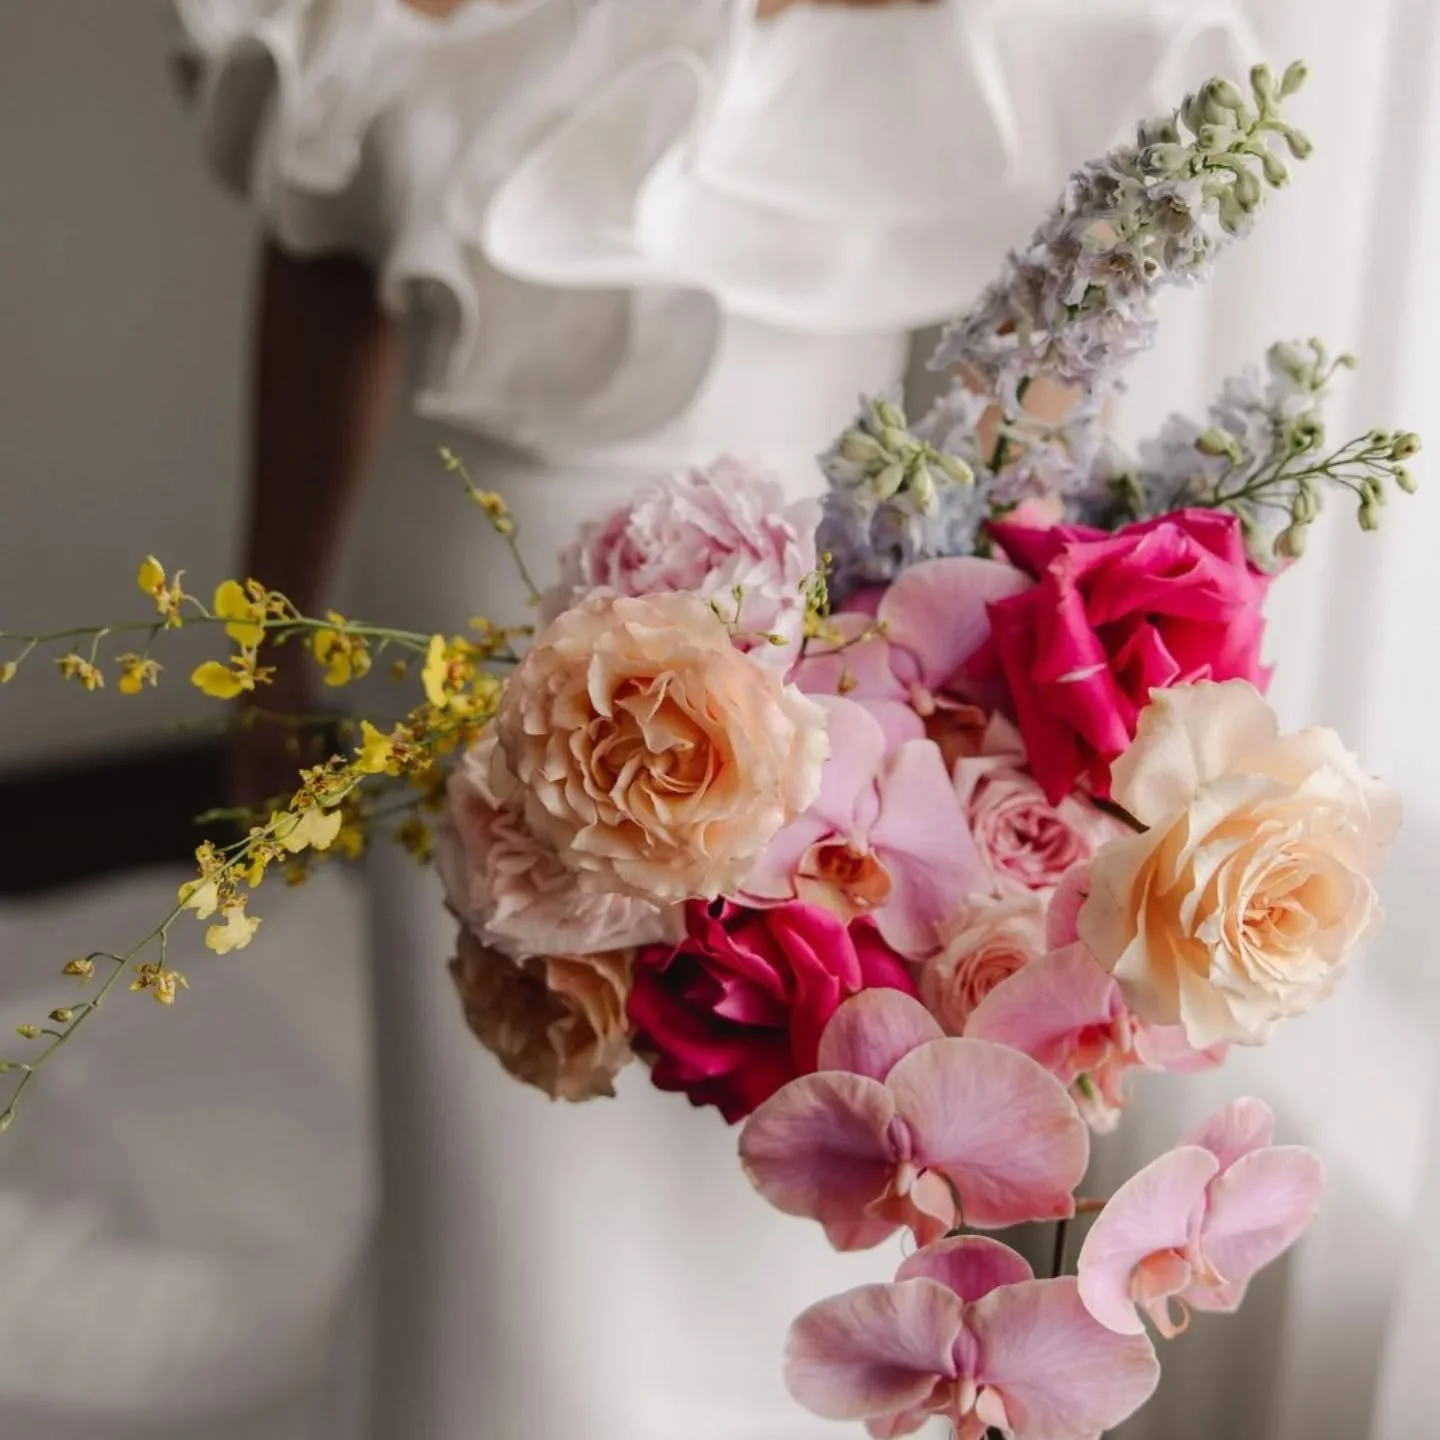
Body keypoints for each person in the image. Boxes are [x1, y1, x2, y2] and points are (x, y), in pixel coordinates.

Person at [175, 1, 1253, 1434]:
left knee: (767, 1158)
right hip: (457, 652)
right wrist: (270, 638)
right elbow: (322, 277)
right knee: (498, 1171)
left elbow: (1063, 361)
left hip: (817, 690)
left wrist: (1020, 677)